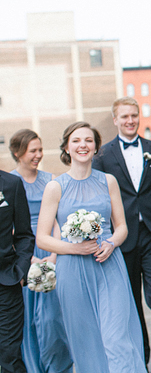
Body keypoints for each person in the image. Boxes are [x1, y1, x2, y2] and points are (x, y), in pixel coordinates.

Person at [36, 121, 145, 372]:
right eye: (76, 140)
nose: (82, 145)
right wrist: (76, 248)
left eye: (88, 140)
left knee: (117, 338)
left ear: (96, 147)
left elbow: (122, 228)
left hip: (109, 265)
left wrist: (111, 242)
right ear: (66, 147)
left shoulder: (109, 181)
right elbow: (42, 238)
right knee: (86, 341)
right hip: (72, 271)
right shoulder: (55, 187)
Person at [92, 97, 151, 372]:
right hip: (122, 237)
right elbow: (100, 199)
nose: (130, 121)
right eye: (125, 116)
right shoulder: (103, 155)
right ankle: (139, 359)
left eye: (134, 116)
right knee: (130, 303)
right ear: (115, 119)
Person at [9, 130, 73, 373]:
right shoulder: (10, 182)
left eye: (40, 149)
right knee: (27, 320)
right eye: (32, 151)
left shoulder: (51, 180)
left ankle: (58, 367)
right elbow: (9, 226)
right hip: (23, 253)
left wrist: (54, 255)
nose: (38, 155)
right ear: (18, 153)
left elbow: (57, 220)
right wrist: (28, 258)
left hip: (52, 249)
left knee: (53, 319)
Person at [0, 166, 34, 373]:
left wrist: (20, 270)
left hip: (6, 281)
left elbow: (24, 235)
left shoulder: (11, 184)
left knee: (10, 356)